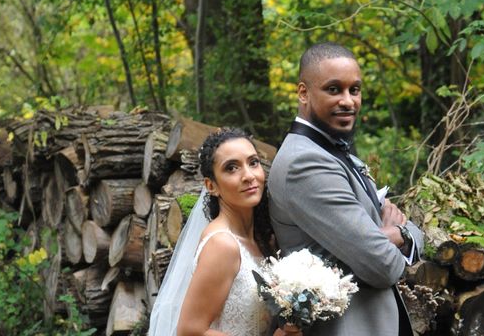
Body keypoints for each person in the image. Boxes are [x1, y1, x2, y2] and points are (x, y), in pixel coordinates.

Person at [268, 42, 424, 336]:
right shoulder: (305, 163)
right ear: (303, 93)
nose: (348, 101)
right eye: (334, 89)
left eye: (355, 90)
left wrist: (395, 234)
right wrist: (399, 233)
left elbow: (397, 239)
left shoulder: (337, 153)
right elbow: (383, 266)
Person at [149, 127, 300, 336]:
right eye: (231, 168)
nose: (248, 175)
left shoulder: (262, 239)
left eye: (253, 162)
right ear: (211, 186)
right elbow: (190, 331)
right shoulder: (222, 244)